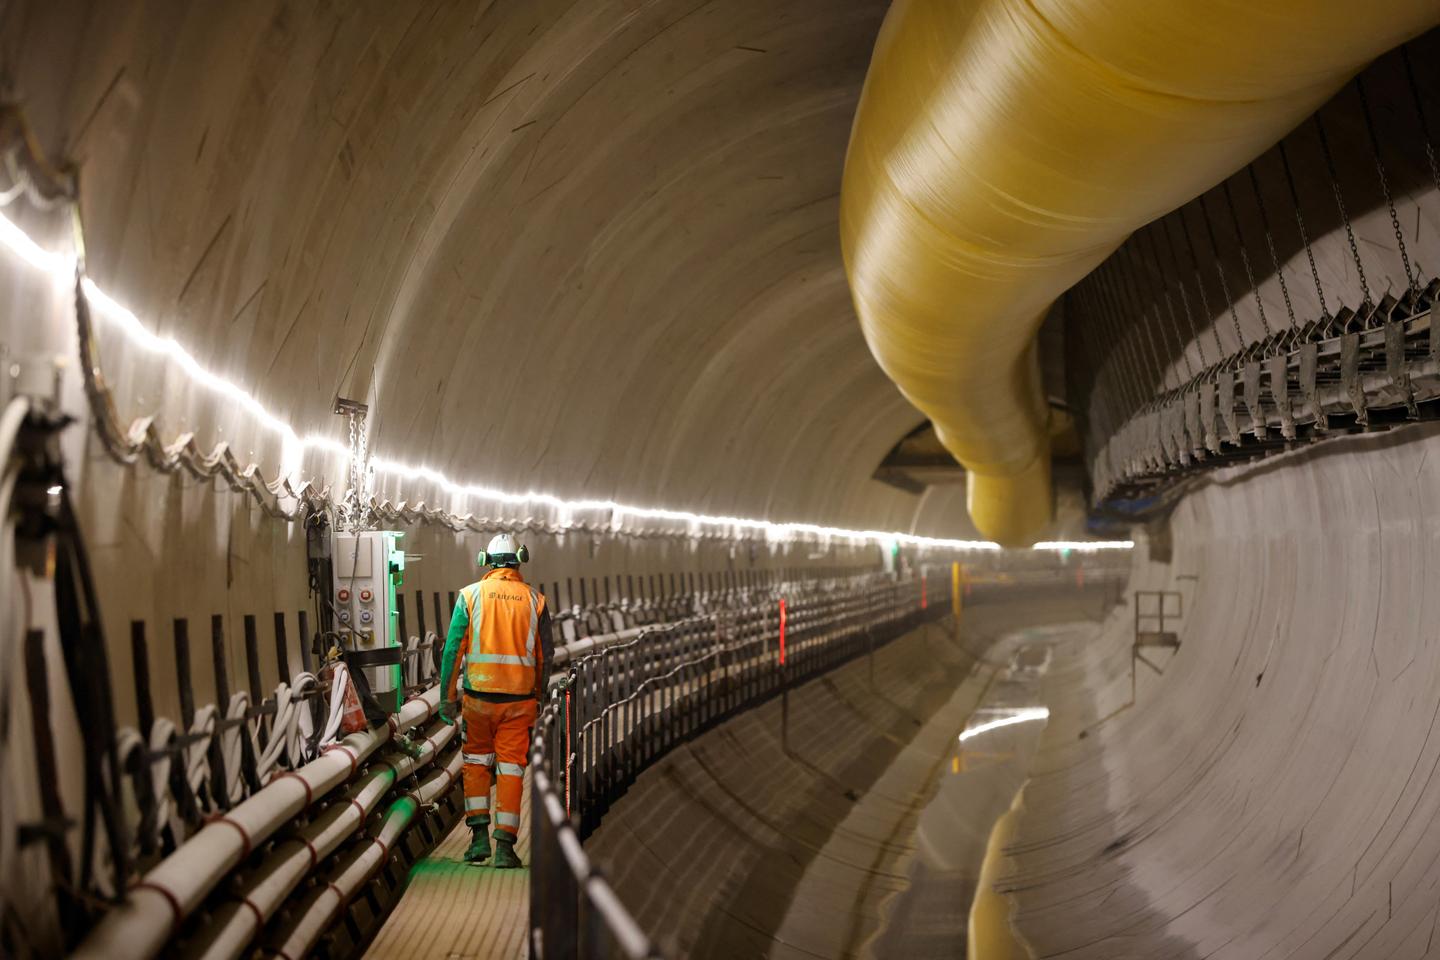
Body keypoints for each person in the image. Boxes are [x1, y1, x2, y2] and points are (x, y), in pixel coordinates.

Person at [439, 533, 554, 868]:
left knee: (476, 764)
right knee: (510, 769)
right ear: (519, 560)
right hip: (519, 705)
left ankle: (477, 841)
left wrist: (447, 699)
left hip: (477, 701)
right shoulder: (536, 601)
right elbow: (545, 656)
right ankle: (505, 846)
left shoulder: (470, 597)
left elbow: (452, 651)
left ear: (484, 561)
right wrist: (540, 696)